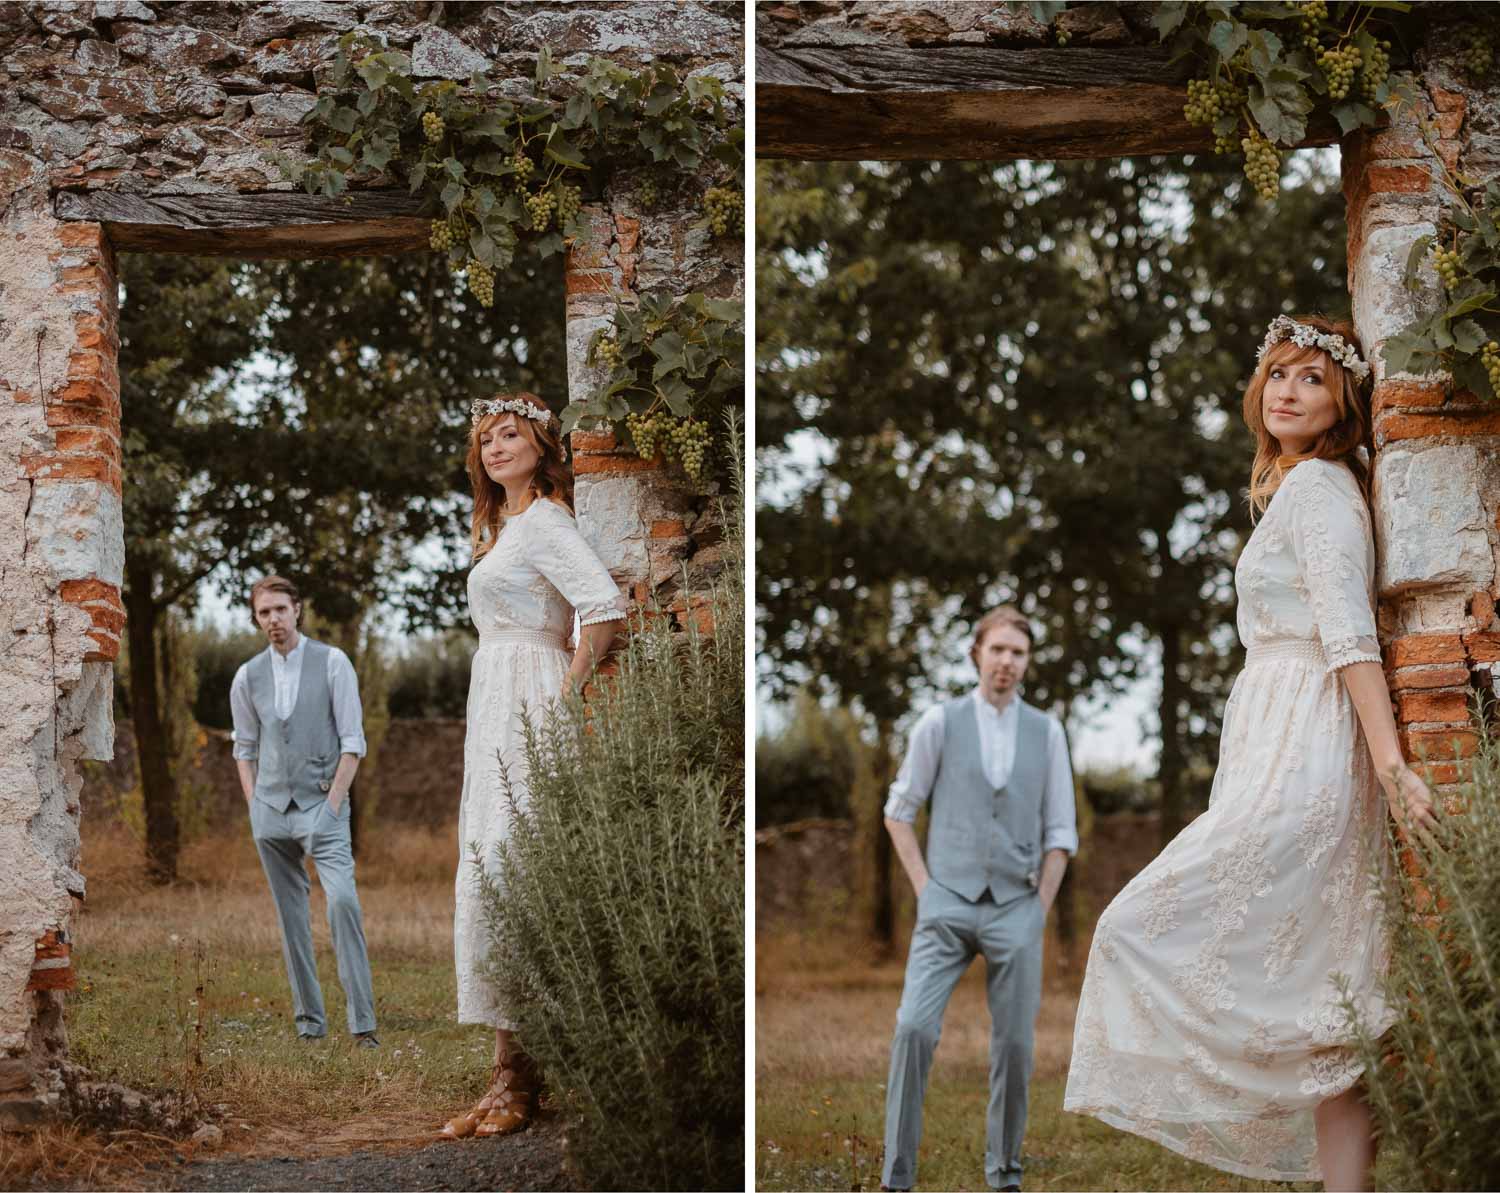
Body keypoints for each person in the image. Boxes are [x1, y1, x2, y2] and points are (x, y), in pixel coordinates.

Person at [1063, 316, 1439, 1191]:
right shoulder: (1308, 486)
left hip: (1308, 744)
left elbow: (1349, 635)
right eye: (1277, 373)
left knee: (1134, 923)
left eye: (1312, 378)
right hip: (1277, 735)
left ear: (1341, 399)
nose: (1287, 390)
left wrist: (1387, 764)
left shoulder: (1317, 490)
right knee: (1329, 1001)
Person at [438, 392, 626, 1140]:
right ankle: (502, 1075)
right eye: (486, 439)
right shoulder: (501, 525)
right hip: (494, 697)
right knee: (489, 868)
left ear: (543, 446)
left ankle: (525, 1078)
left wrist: (559, 699)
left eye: (509, 435)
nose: (495, 447)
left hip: (530, 697)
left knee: (518, 867)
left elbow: (603, 609)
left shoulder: (546, 520)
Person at [880, 605, 1078, 1192]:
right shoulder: (939, 723)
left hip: (1017, 907)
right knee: (913, 1028)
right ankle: (896, 1178)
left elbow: (1061, 833)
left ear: (1027, 662)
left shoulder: (1047, 731)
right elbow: (898, 811)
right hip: (946, 904)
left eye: (1018, 653)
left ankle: (1005, 1177)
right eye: (998, 650)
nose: (1007, 662)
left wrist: (1039, 908)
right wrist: (925, 889)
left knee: (1015, 1046)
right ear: (977, 654)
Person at [230, 574, 378, 1047]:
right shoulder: (247, 676)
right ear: (256, 619)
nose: (272, 620)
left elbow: (353, 744)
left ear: (297, 609)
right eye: (263, 613)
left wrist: (333, 805)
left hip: (323, 806)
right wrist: (254, 805)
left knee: (343, 903)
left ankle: (364, 1027)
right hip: (271, 809)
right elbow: (244, 747)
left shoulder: (333, 663)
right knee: (291, 920)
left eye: (279, 609)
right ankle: (310, 1026)